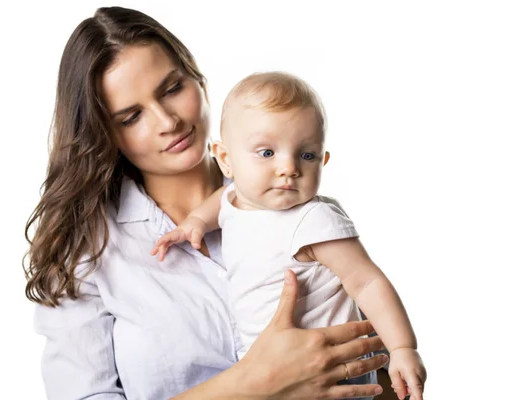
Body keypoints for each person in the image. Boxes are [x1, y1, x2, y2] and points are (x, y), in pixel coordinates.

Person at [24, 6, 391, 400]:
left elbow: (377, 367)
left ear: (197, 77)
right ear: (104, 134)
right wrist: (252, 385)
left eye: (172, 89)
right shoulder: (87, 253)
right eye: (131, 117)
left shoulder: (295, 199)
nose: (168, 121)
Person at [154, 72, 427, 399]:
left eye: (307, 155)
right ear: (226, 160)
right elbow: (221, 203)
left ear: (324, 162)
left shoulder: (313, 220)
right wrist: (196, 221)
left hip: (331, 378)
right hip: (271, 375)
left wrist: (402, 347)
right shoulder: (233, 200)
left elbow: (367, 282)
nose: (289, 168)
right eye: (267, 153)